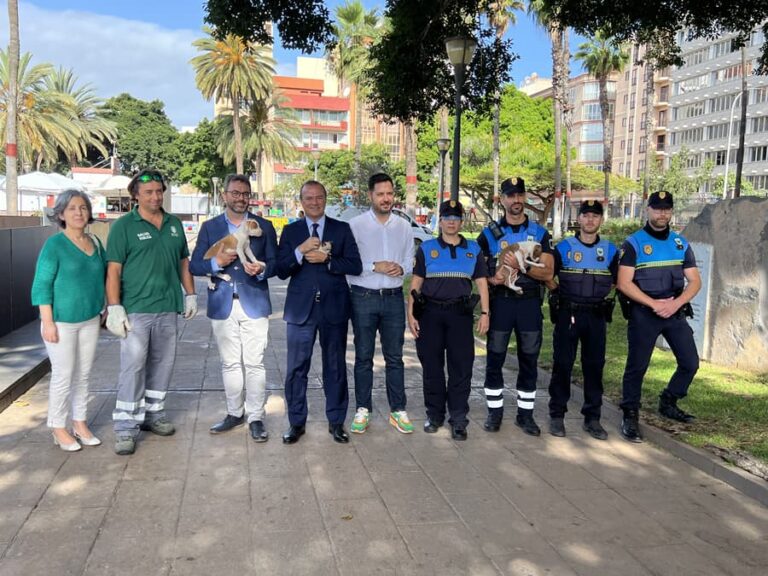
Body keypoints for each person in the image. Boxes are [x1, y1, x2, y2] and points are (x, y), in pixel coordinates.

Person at [105, 169, 198, 455]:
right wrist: (115, 307)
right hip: (136, 309)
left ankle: (153, 414)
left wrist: (191, 294)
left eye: (159, 191)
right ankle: (125, 428)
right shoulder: (123, 226)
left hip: (168, 306)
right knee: (133, 367)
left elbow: (183, 262)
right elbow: (114, 269)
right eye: (149, 192)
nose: (156, 196)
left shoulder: (173, 224)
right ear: (136, 195)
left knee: (163, 363)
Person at [190, 174, 277, 441]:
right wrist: (215, 263)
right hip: (222, 303)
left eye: (245, 193)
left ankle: (256, 417)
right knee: (229, 364)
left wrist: (262, 268)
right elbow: (195, 265)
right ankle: (233, 412)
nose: (240, 198)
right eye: (235, 193)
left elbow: (277, 264)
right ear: (225, 195)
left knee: (255, 364)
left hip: (254, 302)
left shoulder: (263, 226)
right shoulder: (209, 227)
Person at [277, 180, 362, 444]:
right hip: (301, 310)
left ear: (326, 200)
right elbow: (281, 270)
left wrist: (328, 260)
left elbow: (355, 265)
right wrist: (300, 252)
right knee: (296, 368)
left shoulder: (341, 229)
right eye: (309, 198)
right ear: (301, 201)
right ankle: (296, 422)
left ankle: (336, 422)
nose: (314, 202)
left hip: (333, 308)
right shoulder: (291, 231)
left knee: (335, 367)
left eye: (319, 198)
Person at [617, 190, 701, 442]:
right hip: (645, 312)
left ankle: (669, 400)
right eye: (657, 208)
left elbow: (695, 282)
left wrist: (675, 304)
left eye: (666, 209)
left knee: (690, 362)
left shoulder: (680, 244)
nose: (662, 213)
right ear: (648, 210)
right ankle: (630, 414)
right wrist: (654, 304)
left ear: (671, 212)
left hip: (673, 312)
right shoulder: (634, 243)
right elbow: (624, 283)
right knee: (637, 367)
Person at [477, 177, 554, 436]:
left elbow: (548, 274)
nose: (516, 200)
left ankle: (526, 416)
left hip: (529, 304)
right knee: (495, 358)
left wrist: (522, 265)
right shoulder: (488, 235)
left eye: (520, 195)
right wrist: (491, 278)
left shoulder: (540, 234)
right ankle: (494, 413)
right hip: (501, 304)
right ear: (503, 199)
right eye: (511, 196)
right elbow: (476, 272)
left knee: (529, 360)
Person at [31, 190, 106, 452]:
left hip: (89, 320)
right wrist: (47, 322)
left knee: (83, 375)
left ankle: (80, 423)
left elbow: (104, 277)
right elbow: (42, 285)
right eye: (72, 208)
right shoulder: (55, 245)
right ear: (61, 214)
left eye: (83, 208)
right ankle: (57, 427)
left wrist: (106, 306)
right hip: (60, 322)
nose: (79, 213)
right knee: (63, 375)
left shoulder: (95, 243)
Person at [407, 200, 489, 440]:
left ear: (461, 221)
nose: (451, 222)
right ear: (440, 220)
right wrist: (410, 314)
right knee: (432, 367)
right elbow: (416, 284)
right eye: (447, 217)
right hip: (430, 314)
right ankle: (434, 415)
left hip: (460, 316)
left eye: (456, 218)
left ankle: (458, 419)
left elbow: (482, 283)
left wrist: (485, 313)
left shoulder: (473, 249)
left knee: (461, 368)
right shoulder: (427, 248)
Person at [347, 173, 415, 434]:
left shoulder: (404, 227)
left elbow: (410, 261)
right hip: (363, 296)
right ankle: (363, 409)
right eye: (380, 194)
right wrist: (374, 266)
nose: (386, 199)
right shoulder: (356, 226)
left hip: (394, 299)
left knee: (395, 357)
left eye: (389, 193)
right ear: (370, 195)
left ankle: (398, 410)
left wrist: (401, 268)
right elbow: (348, 266)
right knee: (363, 356)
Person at [547, 200, 619, 440]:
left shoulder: (610, 250)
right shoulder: (564, 247)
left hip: (596, 315)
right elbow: (547, 274)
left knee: (594, 367)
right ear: (579, 219)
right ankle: (557, 415)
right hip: (569, 314)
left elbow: (618, 280)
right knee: (563, 365)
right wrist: (557, 291)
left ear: (601, 220)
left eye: (595, 216)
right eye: (586, 215)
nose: (590, 220)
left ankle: (593, 418)